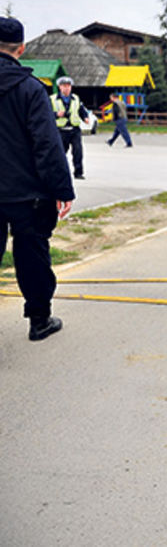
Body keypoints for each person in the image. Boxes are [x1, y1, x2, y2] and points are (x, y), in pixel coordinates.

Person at [0, 17, 75, 341]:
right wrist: (62, 190)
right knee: (31, 255)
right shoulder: (31, 90)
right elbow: (47, 144)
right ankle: (39, 320)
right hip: (25, 193)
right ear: (22, 48)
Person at [50, 75, 95, 179]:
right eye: (64, 86)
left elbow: (81, 109)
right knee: (60, 153)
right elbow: (45, 113)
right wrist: (56, 114)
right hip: (61, 130)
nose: (66, 88)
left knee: (78, 151)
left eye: (68, 86)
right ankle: (58, 172)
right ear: (59, 87)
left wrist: (85, 117)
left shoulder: (75, 98)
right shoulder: (52, 99)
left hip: (74, 130)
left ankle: (78, 172)